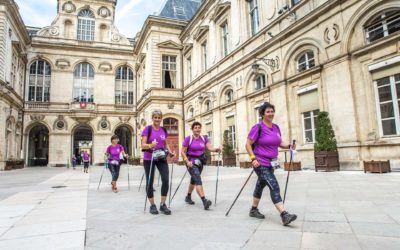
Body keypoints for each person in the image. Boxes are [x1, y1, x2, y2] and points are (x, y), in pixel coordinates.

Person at [245, 102, 297, 226]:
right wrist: (253, 158)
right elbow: (247, 144)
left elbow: (279, 143)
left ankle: (253, 209)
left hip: (272, 163)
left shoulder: (276, 127)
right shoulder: (258, 127)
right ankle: (284, 215)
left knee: (260, 185)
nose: (270, 113)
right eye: (267, 111)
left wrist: (289, 146)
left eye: (272, 111)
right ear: (262, 114)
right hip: (260, 162)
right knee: (274, 185)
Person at [141, 110, 175, 215]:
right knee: (149, 182)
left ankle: (162, 204)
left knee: (165, 179)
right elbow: (143, 145)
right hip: (149, 158)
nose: (157, 119)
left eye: (159, 117)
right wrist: (150, 145)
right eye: (155, 117)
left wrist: (169, 152)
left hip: (161, 157)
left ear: (161, 118)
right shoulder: (147, 129)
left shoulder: (163, 130)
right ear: (152, 118)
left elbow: (165, 143)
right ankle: (152, 205)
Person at [181, 121, 220, 210]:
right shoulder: (188, 138)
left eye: (199, 127)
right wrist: (187, 161)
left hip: (200, 161)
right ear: (192, 129)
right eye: (195, 127)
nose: (197, 129)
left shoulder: (204, 138)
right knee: (198, 179)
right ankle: (204, 200)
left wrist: (216, 149)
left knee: (194, 180)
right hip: (191, 162)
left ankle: (188, 197)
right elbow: (182, 151)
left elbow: (209, 148)